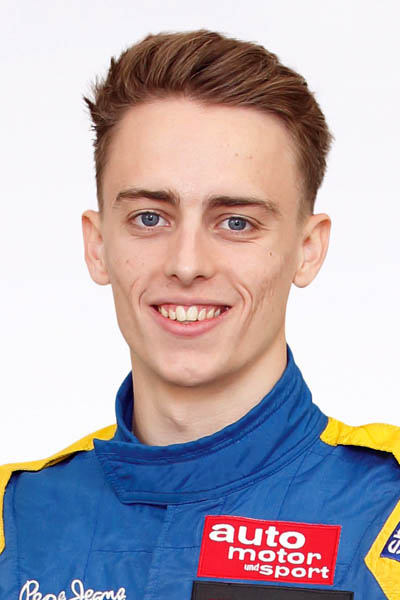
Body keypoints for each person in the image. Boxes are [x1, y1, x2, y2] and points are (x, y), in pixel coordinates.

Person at [0, 29, 399, 600]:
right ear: (98, 244)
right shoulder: (14, 518)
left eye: (236, 222)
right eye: (149, 218)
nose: (187, 265)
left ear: (307, 249)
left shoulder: (386, 510)